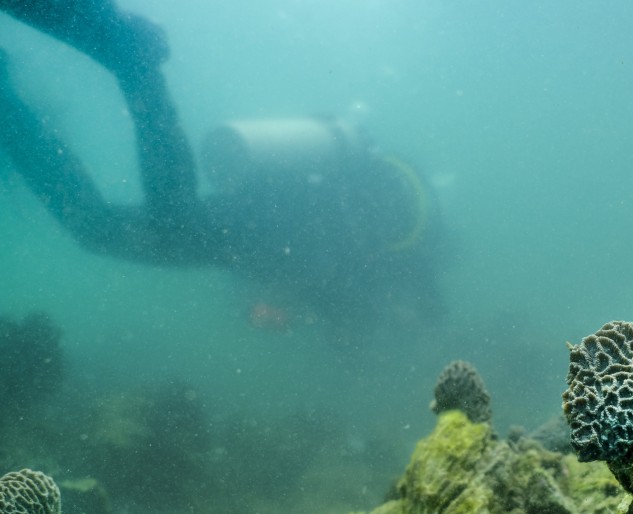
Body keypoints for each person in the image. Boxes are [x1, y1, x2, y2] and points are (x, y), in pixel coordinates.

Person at [0, 0, 444, 328]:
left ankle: (9, 109)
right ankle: (137, 64)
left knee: (95, 230)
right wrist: (284, 306)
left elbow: (300, 273)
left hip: (252, 230)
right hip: (263, 227)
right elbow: (326, 282)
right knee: (167, 220)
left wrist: (264, 301)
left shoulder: (388, 235)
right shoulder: (395, 257)